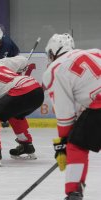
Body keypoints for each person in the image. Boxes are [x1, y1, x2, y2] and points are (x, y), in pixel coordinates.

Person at [43, 33, 101, 200]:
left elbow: (65, 115)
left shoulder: (54, 70)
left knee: (77, 145)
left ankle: (74, 191)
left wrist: (63, 144)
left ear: (52, 52)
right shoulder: (94, 51)